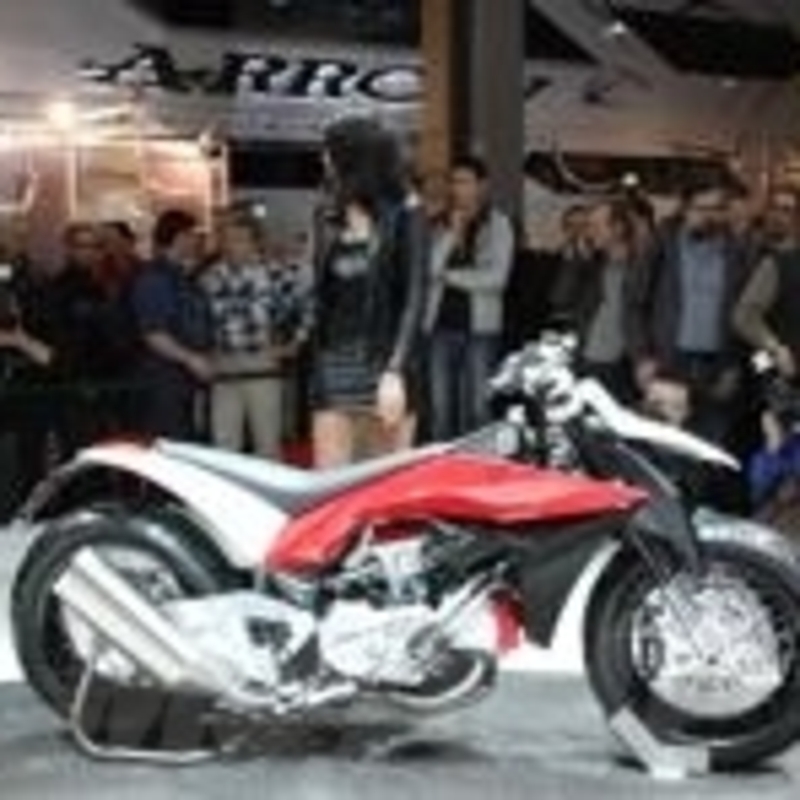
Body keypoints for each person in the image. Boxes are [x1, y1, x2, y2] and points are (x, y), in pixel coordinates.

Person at [310, 116, 429, 467]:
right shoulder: (327, 212)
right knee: (330, 483)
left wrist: (395, 371)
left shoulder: (406, 210)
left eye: (329, 151)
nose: (323, 159)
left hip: (385, 361)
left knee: (381, 483)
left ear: (352, 157)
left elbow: (415, 297)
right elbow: (323, 295)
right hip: (334, 363)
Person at [630, 178, 752, 443]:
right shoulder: (662, 245)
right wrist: (642, 355)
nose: (709, 216)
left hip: (714, 370)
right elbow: (636, 303)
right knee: (663, 444)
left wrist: (733, 364)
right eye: (701, 208)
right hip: (668, 364)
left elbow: (742, 313)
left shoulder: (738, 251)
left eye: (716, 208)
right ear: (685, 208)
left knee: (709, 446)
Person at [203, 215, 310, 457]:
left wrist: (295, 343)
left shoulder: (276, 273)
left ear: (255, 242)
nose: (231, 245)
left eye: (239, 239)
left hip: (262, 366)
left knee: (268, 446)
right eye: (226, 238)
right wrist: (205, 351)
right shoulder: (211, 276)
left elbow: (310, 306)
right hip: (224, 368)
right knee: (223, 449)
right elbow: (203, 320)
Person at [426, 155, 514, 440]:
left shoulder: (499, 224)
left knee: (477, 410)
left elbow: (496, 279)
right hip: (439, 328)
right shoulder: (439, 224)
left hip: (481, 330)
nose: (457, 188)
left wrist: (447, 276)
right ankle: (443, 465)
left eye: (464, 181)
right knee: (440, 411)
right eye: (453, 182)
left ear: (482, 186)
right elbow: (428, 268)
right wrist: (452, 233)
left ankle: (477, 463)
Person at [131, 209, 213, 440]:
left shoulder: (181, 276)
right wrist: (191, 359)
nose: (197, 241)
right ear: (179, 237)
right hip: (164, 381)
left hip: (183, 379)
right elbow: (154, 334)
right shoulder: (155, 277)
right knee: (170, 446)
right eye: (192, 235)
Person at [550, 198, 639, 400]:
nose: (590, 232)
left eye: (597, 225)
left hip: (623, 364)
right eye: (590, 226)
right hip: (588, 357)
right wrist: (577, 261)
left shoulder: (641, 265)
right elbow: (560, 298)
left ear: (618, 228)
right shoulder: (592, 264)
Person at [733, 187, 800, 378]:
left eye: (786, 210)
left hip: (777, 360)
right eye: (774, 208)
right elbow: (742, 314)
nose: (778, 216)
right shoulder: (745, 250)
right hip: (744, 352)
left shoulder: (788, 260)